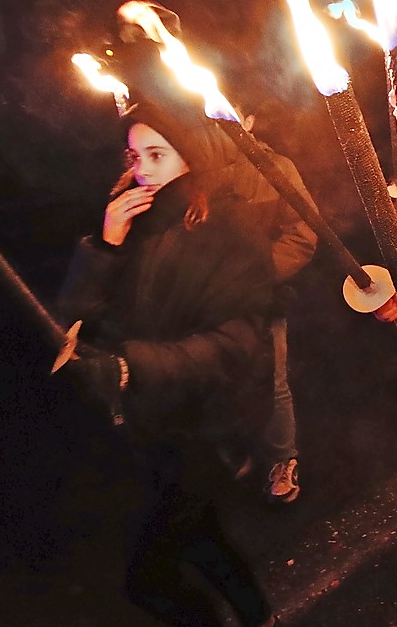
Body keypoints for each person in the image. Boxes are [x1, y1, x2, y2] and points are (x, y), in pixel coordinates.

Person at [57, 100, 276, 627]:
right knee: (202, 540)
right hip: (151, 425)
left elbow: (235, 346)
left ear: (192, 158)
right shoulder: (133, 227)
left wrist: (133, 366)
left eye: (157, 154)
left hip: (204, 429)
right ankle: (260, 617)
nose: (143, 171)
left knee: (148, 578)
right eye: (135, 157)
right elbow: (75, 319)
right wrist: (106, 248)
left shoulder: (227, 232)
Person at [226, 101, 319, 505]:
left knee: (272, 381)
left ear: (249, 119)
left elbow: (303, 234)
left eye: (228, 115)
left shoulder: (274, 169)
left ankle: (283, 458)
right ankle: (235, 448)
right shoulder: (189, 167)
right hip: (205, 308)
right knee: (217, 380)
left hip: (259, 300)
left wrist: (253, 279)